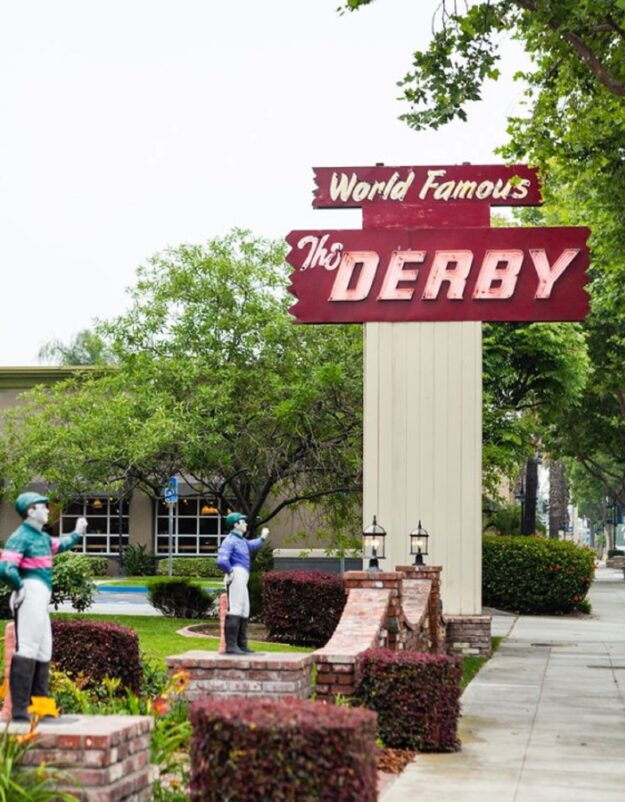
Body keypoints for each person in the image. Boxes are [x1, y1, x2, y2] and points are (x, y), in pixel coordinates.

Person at [0, 492, 87, 721]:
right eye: (44, 507)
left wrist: (77, 533)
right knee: (28, 648)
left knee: (43, 649)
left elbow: (61, 543)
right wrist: (19, 587)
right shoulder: (21, 538)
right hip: (29, 594)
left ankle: (41, 706)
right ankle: (20, 710)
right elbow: (5, 568)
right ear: (31, 511)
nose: (48, 510)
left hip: (39, 598)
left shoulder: (42, 538)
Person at [217, 512, 269, 655]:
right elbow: (221, 560)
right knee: (236, 608)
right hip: (237, 574)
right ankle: (232, 646)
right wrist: (230, 571)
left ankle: (241, 644)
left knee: (244, 609)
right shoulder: (230, 541)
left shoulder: (241, 540)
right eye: (243, 521)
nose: (246, 524)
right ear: (235, 525)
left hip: (242, 576)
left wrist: (262, 538)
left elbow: (251, 545)